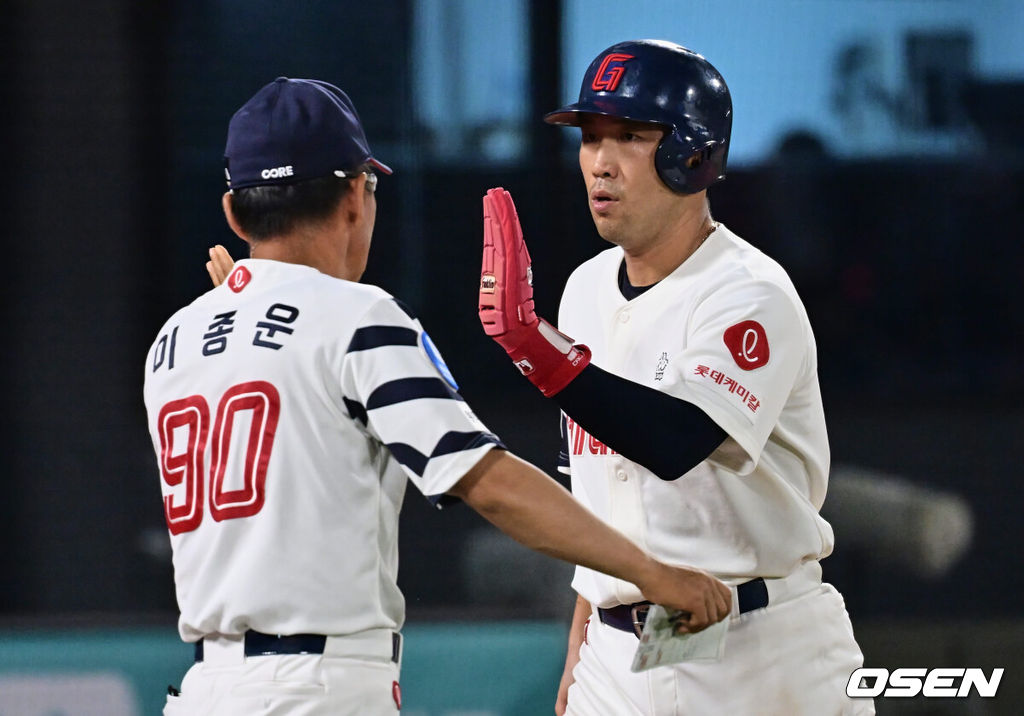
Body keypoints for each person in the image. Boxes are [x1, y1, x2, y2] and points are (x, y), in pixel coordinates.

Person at [143, 76, 732, 716]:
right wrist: (654, 574)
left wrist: (261, 296)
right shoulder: (357, 318)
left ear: (235, 213)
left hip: (204, 690)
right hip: (313, 691)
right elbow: (490, 484)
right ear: (353, 199)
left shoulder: (174, 342)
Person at [476, 41, 872, 715]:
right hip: (620, 653)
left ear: (692, 154)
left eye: (629, 136)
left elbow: (675, 438)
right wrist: (577, 661)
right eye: (590, 137)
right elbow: (598, 500)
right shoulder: (584, 290)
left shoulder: (748, 292)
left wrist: (534, 349)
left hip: (760, 648)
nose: (598, 162)